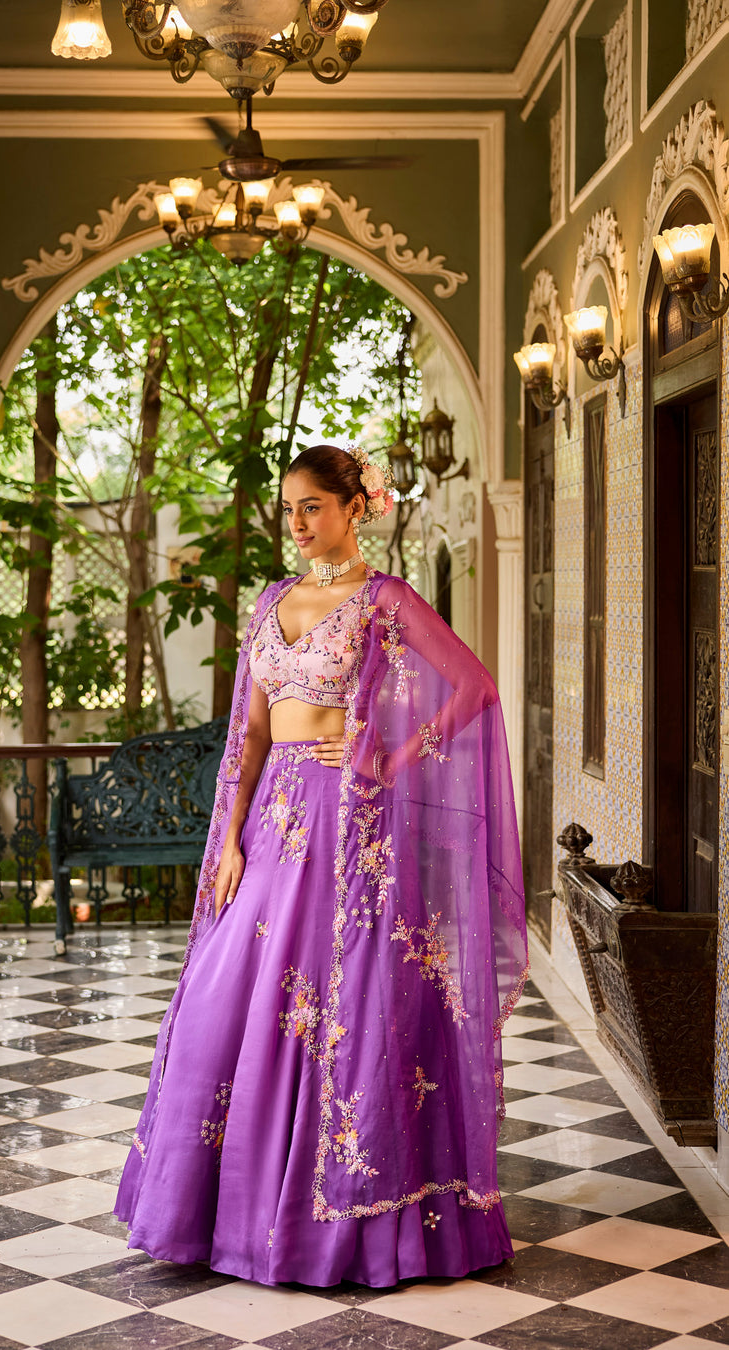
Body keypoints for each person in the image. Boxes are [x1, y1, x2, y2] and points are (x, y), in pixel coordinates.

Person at [114, 443, 528, 1288]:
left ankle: (338, 1224)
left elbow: (473, 688)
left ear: (353, 506)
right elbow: (252, 735)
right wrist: (227, 840)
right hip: (270, 823)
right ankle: (218, 1215)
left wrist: (385, 756)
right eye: (290, 508)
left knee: (345, 1001)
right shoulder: (271, 601)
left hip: (351, 828)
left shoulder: (385, 601)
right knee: (225, 991)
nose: (298, 523)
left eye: (313, 506)